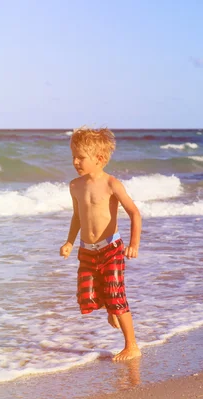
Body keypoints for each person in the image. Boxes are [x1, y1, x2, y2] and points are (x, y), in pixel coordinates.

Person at [60, 126, 142, 361]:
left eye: (81, 157)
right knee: (87, 296)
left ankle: (132, 345)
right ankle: (111, 308)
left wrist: (133, 244)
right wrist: (69, 242)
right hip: (87, 250)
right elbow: (77, 216)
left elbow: (135, 213)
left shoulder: (111, 184)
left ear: (99, 159)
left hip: (110, 248)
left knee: (116, 295)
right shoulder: (75, 186)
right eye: (73, 156)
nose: (75, 161)